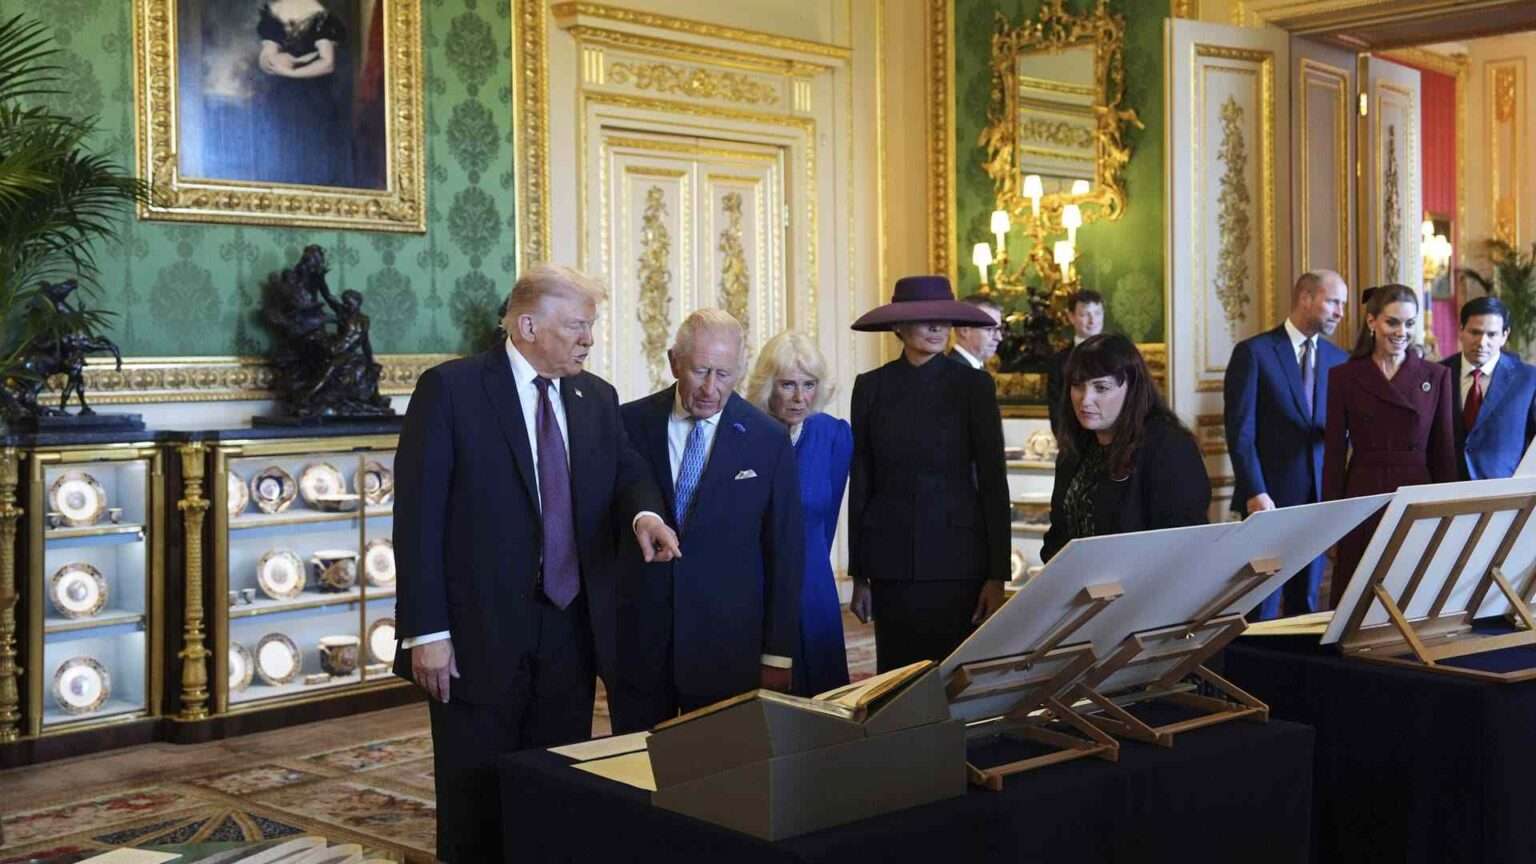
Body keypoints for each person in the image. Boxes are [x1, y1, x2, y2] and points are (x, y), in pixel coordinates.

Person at [392, 264, 680, 863]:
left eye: (590, 327)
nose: (589, 339)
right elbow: (417, 520)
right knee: (474, 802)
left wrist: (644, 518)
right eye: (578, 326)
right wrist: (428, 632)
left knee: (553, 790)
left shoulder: (594, 397)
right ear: (527, 325)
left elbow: (628, 471)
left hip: (571, 628)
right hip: (475, 634)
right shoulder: (451, 390)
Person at [612, 309, 805, 730]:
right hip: (641, 642)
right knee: (635, 773)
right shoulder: (628, 423)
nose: (711, 388)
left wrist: (777, 654)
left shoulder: (767, 438)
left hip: (727, 648)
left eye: (724, 374)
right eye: (700, 371)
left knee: (719, 779)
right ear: (673, 361)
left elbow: (785, 552)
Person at [847, 275, 1010, 672]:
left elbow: (992, 481)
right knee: (897, 680)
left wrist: (996, 575)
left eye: (944, 319)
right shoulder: (871, 387)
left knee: (955, 675)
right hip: (891, 563)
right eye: (925, 320)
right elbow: (862, 480)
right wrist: (860, 574)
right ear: (899, 327)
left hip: (959, 562)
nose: (938, 328)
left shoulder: (974, 386)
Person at [1222, 271, 1350, 619]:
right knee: (1260, 605)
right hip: (1268, 500)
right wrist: (1254, 490)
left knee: (1305, 607)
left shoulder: (1340, 360)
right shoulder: (1254, 353)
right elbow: (1240, 431)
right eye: (1333, 302)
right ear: (1306, 298)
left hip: (1319, 502)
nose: (1340, 312)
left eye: (1343, 304)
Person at [1323, 284, 1456, 607]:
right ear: (1372, 322)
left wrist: (1449, 513)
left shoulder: (1436, 376)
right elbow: (1334, 455)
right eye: (1392, 322)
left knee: (1411, 592)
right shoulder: (1344, 376)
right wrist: (1330, 522)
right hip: (1363, 493)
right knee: (1357, 595)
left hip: (1416, 494)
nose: (1402, 332)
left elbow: (1444, 452)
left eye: (1410, 324)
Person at [748, 331, 853, 696]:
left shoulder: (834, 436)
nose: (799, 397)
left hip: (813, 584)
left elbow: (829, 516)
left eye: (809, 385)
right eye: (788, 385)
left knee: (821, 701)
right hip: (755, 583)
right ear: (767, 386)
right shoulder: (743, 432)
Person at [1042, 334, 1209, 562]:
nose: (1085, 399)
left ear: (1131, 388)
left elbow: (1180, 546)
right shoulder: (1076, 446)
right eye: (1077, 386)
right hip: (1078, 590)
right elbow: (1058, 534)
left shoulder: (1168, 446)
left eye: (1101, 387)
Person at [1442, 295, 1536, 479]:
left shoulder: (1529, 379)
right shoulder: (1438, 373)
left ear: (1504, 336)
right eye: (1475, 332)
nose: (1482, 342)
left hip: (1504, 494)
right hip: (1446, 490)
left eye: (1491, 334)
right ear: (1461, 330)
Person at [257, 0, 350, 186]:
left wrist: (291, 71)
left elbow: (327, 63)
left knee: (311, 152)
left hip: (313, 97)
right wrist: (271, 61)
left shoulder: (321, 16)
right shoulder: (275, 11)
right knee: (280, 150)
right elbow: (267, 54)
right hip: (281, 97)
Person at [1047, 289, 1106, 429]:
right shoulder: (1058, 361)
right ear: (1071, 317)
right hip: (1073, 443)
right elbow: (1056, 410)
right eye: (1085, 314)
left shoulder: (1120, 354)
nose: (1093, 321)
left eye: (1097, 313)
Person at [950, 294, 1003, 370]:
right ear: (964, 330)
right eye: (989, 329)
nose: (999, 338)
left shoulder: (975, 369)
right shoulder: (954, 372)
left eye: (998, 329)